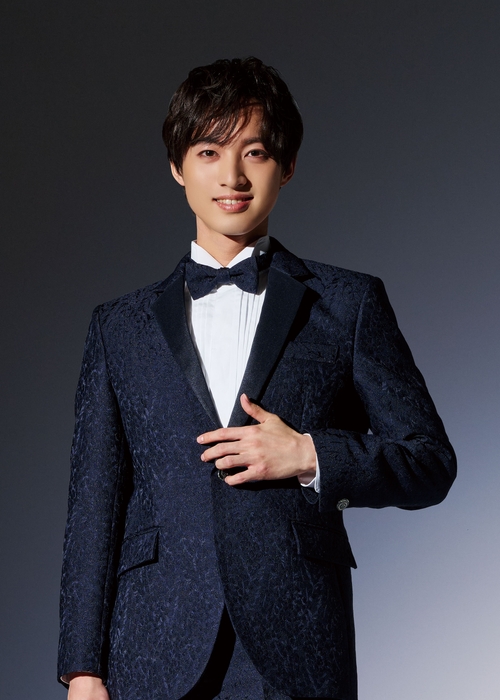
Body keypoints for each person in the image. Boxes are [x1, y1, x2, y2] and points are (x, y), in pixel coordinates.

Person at [58, 57, 456, 700]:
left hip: (299, 647)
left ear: (287, 165)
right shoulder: (118, 327)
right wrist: (82, 669)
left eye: (256, 152)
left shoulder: (348, 304)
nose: (233, 176)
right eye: (209, 152)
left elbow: (430, 461)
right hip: (151, 649)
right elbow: (93, 508)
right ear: (177, 166)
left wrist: (310, 455)